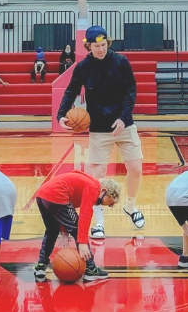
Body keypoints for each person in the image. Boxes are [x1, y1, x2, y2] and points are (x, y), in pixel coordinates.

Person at [57, 25, 144, 240]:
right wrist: (61, 114)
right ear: (88, 46)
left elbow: (131, 91)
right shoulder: (83, 67)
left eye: (104, 45)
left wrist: (123, 117)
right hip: (98, 127)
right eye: (96, 46)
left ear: (108, 43)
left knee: (135, 169)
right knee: (96, 177)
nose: (101, 49)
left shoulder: (121, 62)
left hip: (124, 124)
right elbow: (71, 90)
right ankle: (99, 222)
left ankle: (130, 206)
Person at [31, 170, 121, 282]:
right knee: (78, 229)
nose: (108, 205)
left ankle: (41, 266)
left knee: (52, 231)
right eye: (109, 202)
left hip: (42, 195)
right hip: (56, 195)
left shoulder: (87, 181)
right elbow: (85, 214)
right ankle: (91, 269)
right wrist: (82, 242)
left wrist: (64, 231)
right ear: (104, 190)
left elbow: (65, 212)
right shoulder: (93, 187)